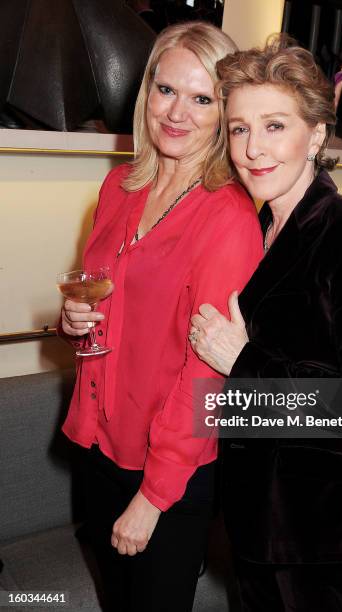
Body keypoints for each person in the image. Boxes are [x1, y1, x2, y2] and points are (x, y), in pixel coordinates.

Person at [189, 37, 342, 612]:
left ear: (316, 135)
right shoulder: (248, 232)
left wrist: (244, 363)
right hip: (253, 519)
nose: (253, 149)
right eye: (239, 129)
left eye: (275, 126)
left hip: (320, 528)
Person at [58, 21, 263, 612]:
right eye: (166, 90)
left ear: (224, 113)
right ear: (145, 91)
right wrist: (73, 321)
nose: (178, 113)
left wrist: (152, 497)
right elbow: (109, 304)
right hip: (97, 443)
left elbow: (209, 375)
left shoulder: (226, 217)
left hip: (167, 471)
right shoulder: (119, 186)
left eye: (202, 99)